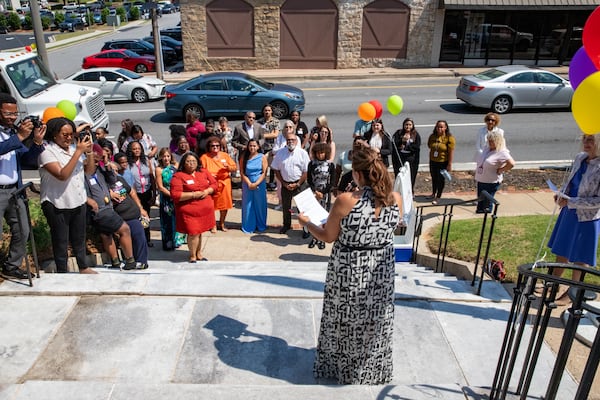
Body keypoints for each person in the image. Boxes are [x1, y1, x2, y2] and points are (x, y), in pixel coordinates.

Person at [297, 145, 402, 385]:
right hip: (381, 271)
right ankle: (373, 370)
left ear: (356, 173)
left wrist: (306, 222)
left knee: (345, 321)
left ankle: (344, 370)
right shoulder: (396, 198)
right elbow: (389, 228)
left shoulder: (346, 201)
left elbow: (327, 236)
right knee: (375, 322)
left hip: (350, 269)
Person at [39, 117, 97, 274]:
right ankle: (62, 272)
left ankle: (83, 266)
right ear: (54, 135)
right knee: (61, 240)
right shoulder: (47, 152)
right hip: (57, 202)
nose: (69, 138)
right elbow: (62, 175)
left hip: (77, 200)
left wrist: (89, 152)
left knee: (79, 237)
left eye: (71, 134)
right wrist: (78, 152)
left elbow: (89, 172)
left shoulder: (73, 149)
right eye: (64, 135)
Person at [547, 134, 600, 301]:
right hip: (568, 213)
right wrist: (561, 194)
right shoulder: (579, 158)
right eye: (585, 139)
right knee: (562, 249)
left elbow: (598, 201)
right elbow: (569, 181)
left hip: (587, 219)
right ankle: (554, 284)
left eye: (591, 140)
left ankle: (573, 293)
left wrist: (571, 202)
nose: (586, 143)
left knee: (580, 256)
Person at [0, 93, 46, 280]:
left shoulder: (13, 133)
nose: (12, 117)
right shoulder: (15, 135)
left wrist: (36, 142)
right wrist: (19, 136)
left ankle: (12, 265)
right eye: (7, 113)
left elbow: (27, 160)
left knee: (22, 229)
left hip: (15, 189)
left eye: (15, 113)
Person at [85, 144, 137, 271]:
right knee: (124, 229)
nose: (96, 164)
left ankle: (115, 261)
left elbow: (113, 180)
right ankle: (130, 260)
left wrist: (107, 163)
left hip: (108, 207)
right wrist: (88, 200)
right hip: (99, 210)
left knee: (106, 234)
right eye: (94, 161)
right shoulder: (83, 173)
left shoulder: (100, 170)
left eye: (98, 161)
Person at [170, 152, 217, 262]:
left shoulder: (203, 172)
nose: (191, 164)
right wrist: (193, 195)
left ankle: (199, 253)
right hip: (189, 210)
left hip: (204, 210)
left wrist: (207, 191)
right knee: (193, 232)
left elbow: (214, 184)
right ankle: (192, 255)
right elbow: (176, 195)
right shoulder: (178, 176)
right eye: (188, 161)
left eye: (193, 161)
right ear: (183, 163)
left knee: (199, 232)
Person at [271, 131, 310, 234]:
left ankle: (306, 229)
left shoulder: (302, 153)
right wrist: (283, 183)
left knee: (302, 208)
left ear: (296, 141)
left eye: (293, 140)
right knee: (286, 207)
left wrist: (297, 184)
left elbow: (306, 171)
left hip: (299, 184)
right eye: (288, 140)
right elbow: (275, 168)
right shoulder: (280, 153)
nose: (290, 142)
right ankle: (286, 225)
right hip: (286, 184)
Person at [200, 136, 237, 232]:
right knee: (211, 205)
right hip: (211, 184)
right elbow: (201, 171)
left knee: (224, 205)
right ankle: (212, 225)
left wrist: (228, 167)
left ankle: (222, 223)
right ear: (209, 147)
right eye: (213, 146)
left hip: (224, 183)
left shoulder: (225, 155)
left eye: (217, 145)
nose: (215, 147)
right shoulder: (204, 157)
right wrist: (209, 176)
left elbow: (234, 168)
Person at [474, 131, 515, 213]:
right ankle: (480, 213)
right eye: (488, 140)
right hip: (481, 179)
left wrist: (501, 170)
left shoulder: (502, 152)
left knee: (487, 203)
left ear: (497, 141)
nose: (489, 142)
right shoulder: (487, 148)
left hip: (491, 182)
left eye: (491, 141)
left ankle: (487, 216)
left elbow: (512, 163)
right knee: (480, 201)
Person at [125, 140, 155, 247]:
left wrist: (154, 194)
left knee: (146, 217)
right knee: (136, 218)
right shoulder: (128, 163)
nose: (137, 151)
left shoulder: (146, 161)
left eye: (138, 148)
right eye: (134, 149)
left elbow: (151, 177)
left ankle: (147, 239)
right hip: (134, 194)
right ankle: (137, 240)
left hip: (146, 192)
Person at [307, 142, 335, 249]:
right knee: (313, 216)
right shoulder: (312, 164)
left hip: (325, 193)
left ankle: (322, 239)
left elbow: (332, 182)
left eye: (322, 153)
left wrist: (323, 192)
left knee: (324, 217)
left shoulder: (330, 165)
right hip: (314, 193)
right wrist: (315, 191)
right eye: (318, 153)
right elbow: (309, 180)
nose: (320, 155)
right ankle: (314, 238)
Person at [239, 139, 268, 234]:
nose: (252, 147)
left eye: (254, 146)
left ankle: (261, 225)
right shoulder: (244, 157)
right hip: (247, 183)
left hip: (260, 183)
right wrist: (249, 183)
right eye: (250, 145)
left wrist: (256, 183)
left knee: (260, 205)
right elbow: (242, 172)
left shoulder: (262, 157)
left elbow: (264, 172)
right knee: (248, 205)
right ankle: (248, 226)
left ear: (258, 147)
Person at [155, 147, 179, 251]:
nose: (166, 158)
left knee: (176, 220)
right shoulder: (159, 169)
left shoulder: (175, 166)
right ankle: (167, 242)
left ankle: (176, 241)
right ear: (160, 157)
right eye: (164, 156)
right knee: (167, 221)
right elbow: (160, 186)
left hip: (176, 197)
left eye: (168, 156)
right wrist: (171, 195)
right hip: (166, 198)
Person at [427, 120, 455, 205]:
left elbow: (450, 152)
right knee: (434, 177)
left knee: (440, 180)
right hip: (433, 161)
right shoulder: (433, 136)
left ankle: (438, 196)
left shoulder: (449, 138)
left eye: (442, 127)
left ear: (445, 128)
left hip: (443, 162)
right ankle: (433, 193)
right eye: (438, 127)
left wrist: (449, 164)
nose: (439, 128)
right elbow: (429, 145)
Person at [392, 117, 421, 189]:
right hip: (400, 157)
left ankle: (410, 190)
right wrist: (402, 140)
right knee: (400, 175)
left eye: (410, 125)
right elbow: (394, 144)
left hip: (411, 158)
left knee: (411, 175)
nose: (408, 126)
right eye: (406, 125)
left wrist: (407, 146)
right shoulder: (398, 133)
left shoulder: (415, 134)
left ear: (412, 125)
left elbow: (416, 147)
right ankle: (400, 189)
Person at [257, 104, 281, 191]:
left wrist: (263, 135)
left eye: (269, 110)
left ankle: (271, 182)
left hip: (272, 147)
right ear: (263, 111)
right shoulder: (259, 122)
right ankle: (262, 182)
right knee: (262, 166)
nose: (267, 112)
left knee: (272, 166)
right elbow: (256, 133)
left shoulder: (276, 122)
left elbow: (275, 134)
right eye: (265, 110)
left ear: (271, 111)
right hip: (261, 147)